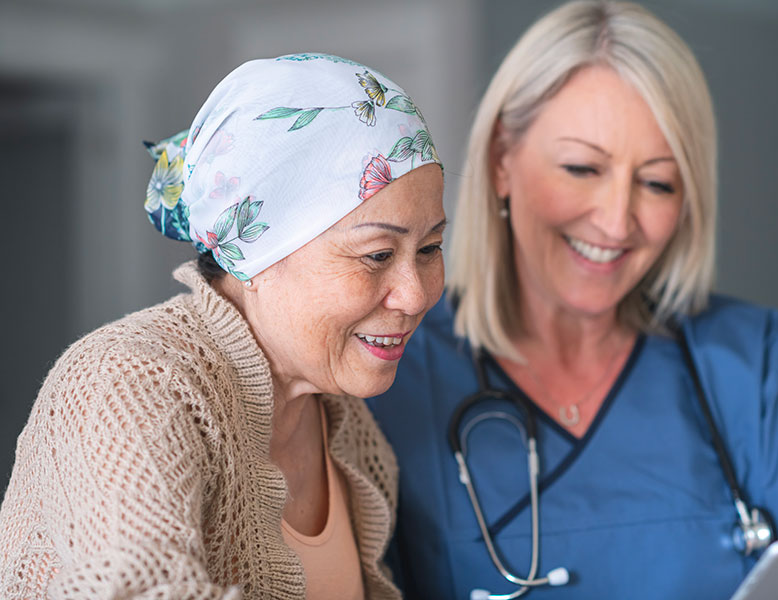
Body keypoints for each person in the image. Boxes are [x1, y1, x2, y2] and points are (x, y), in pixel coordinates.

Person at [366, 2, 778, 598]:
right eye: (583, 168)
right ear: (502, 159)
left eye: (657, 182)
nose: (616, 222)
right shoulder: (393, 370)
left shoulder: (752, 362)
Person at [0, 53, 445, 599]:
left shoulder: (345, 421)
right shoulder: (127, 384)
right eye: (377, 255)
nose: (418, 294)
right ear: (253, 254)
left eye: (429, 248)